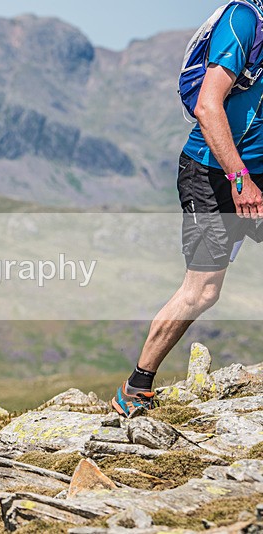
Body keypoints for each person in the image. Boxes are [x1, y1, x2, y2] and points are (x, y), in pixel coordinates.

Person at [112, 1, 263, 417]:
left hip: (255, 172)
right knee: (203, 292)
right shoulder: (244, 20)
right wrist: (240, 180)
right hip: (214, 171)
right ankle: (137, 386)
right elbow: (207, 106)